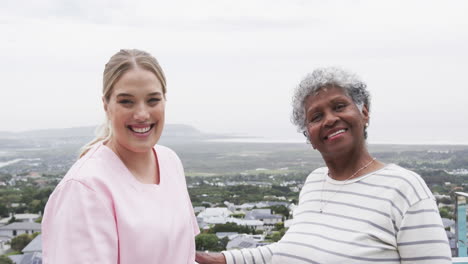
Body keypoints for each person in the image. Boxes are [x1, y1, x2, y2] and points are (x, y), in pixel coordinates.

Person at [196, 67, 451, 263]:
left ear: (364, 113)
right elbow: (293, 248)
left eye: (339, 106)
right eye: (316, 117)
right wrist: (225, 258)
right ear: (309, 136)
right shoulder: (315, 182)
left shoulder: (404, 189)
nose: (330, 119)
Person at [42, 49, 199, 263]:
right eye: (126, 102)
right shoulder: (85, 187)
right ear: (106, 105)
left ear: (164, 101)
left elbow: (184, 253)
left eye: (153, 100)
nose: (142, 114)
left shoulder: (170, 161)